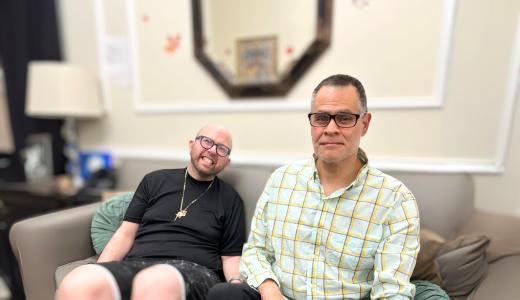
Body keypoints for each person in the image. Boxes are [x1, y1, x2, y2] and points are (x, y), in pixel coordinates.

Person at [207, 74, 420, 299]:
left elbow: (392, 291)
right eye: (321, 118)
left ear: (365, 124)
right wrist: (269, 289)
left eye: (345, 118)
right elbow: (256, 251)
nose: (330, 129)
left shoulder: (395, 199)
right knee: (223, 294)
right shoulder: (281, 180)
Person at [56, 124, 246, 300]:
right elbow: (125, 234)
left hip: (197, 271)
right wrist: (101, 269)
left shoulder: (231, 199)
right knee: (78, 282)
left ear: (227, 162)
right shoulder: (154, 181)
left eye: (222, 149)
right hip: (139, 263)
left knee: (155, 281)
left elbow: (230, 256)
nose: (212, 150)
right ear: (191, 145)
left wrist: (235, 285)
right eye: (207, 141)